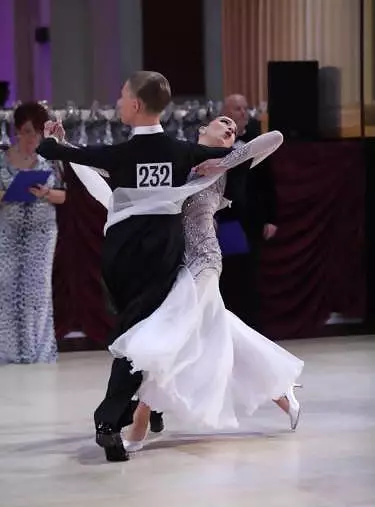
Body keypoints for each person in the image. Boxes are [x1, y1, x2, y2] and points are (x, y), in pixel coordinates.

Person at [36, 71, 246, 462]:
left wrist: (54, 139)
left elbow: (61, 154)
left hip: (118, 259)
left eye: (120, 96)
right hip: (159, 258)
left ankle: (134, 414)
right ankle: (114, 419)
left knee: (137, 335)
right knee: (141, 338)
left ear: (134, 105)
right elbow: (234, 155)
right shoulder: (181, 151)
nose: (117, 103)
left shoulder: (120, 154)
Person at [108, 116, 303, 452]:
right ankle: (280, 392)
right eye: (222, 123)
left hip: (204, 261)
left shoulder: (229, 167)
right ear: (200, 131)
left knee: (173, 332)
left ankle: (139, 423)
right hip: (172, 264)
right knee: (219, 331)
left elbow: (277, 136)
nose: (230, 129)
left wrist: (223, 161)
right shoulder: (178, 160)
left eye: (234, 129)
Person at [0, 102, 66, 364]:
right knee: (7, 289)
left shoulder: (49, 160)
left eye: (37, 132)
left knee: (37, 293)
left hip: (42, 233)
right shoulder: (2, 159)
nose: (32, 138)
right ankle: (9, 353)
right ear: (17, 131)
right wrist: (9, 194)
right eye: (27, 131)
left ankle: (38, 351)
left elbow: (65, 196)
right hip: (9, 232)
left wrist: (46, 193)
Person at [218, 94, 278, 330]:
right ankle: (226, 329)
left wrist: (271, 217)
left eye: (245, 108)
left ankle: (251, 330)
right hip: (225, 220)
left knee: (249, 278)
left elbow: (268, 183)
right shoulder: (213, 143)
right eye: (237, 108)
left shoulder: (257, 142)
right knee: (228, 277)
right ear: (225, 112)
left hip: (250, 221)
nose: (243, 112)